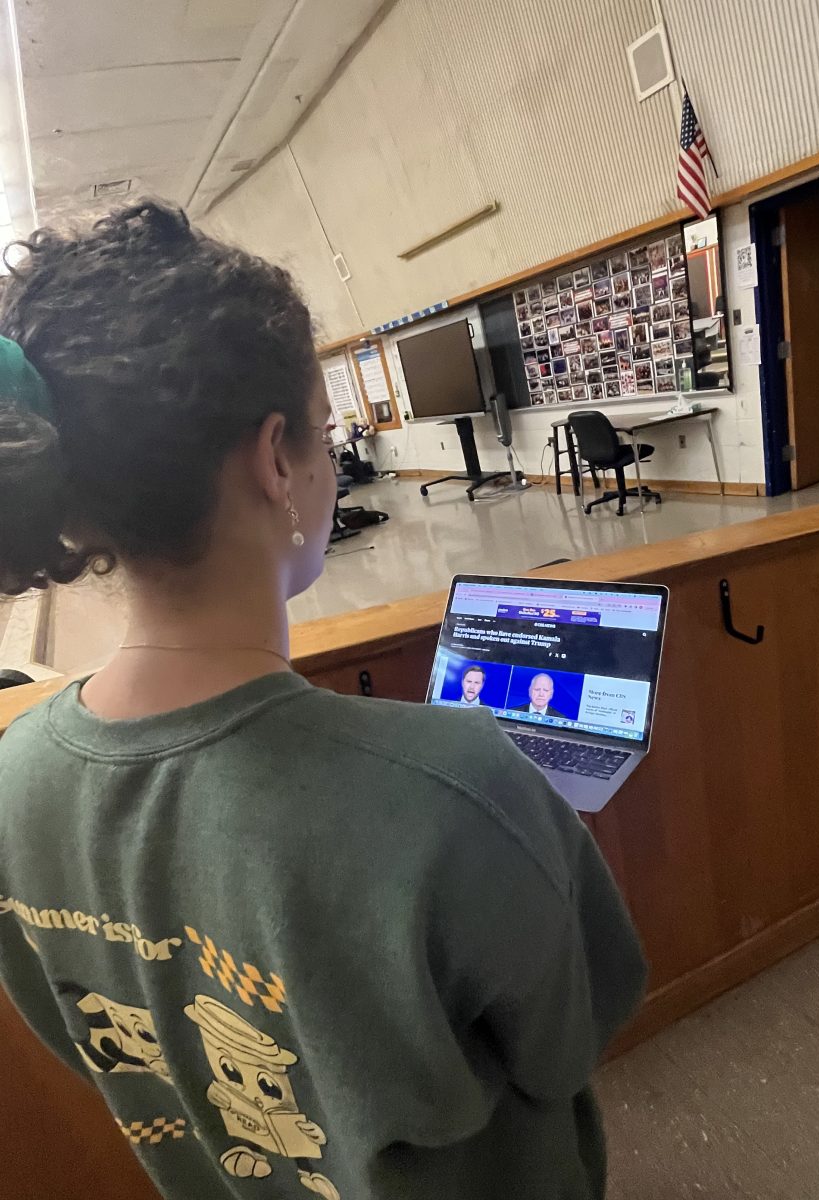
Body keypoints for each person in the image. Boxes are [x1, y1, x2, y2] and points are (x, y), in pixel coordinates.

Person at [0, 201, 646, 1200]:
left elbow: (87, 1039)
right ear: (275, 461)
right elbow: (574, 1034)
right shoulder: (460, 789)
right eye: (324, 432)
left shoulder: (12, 783)